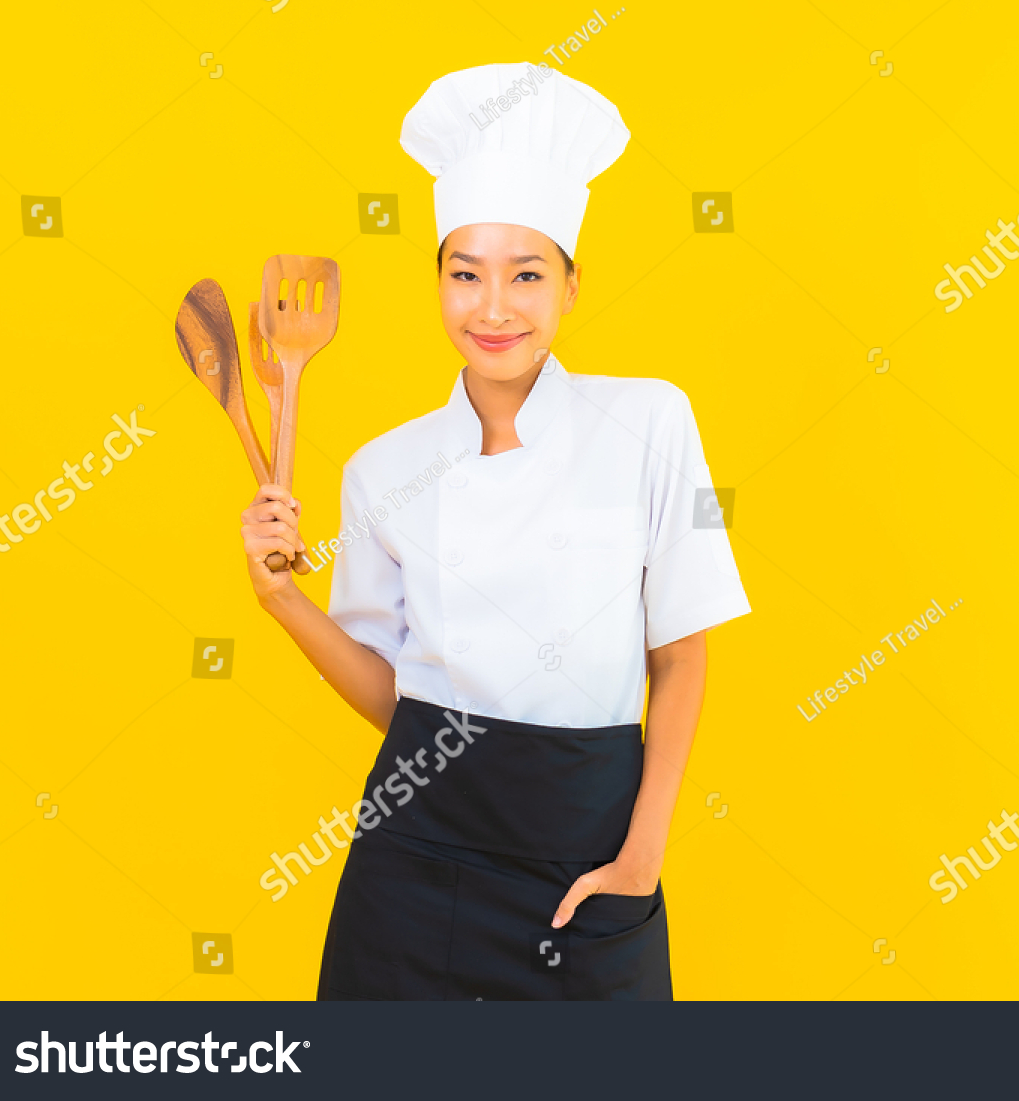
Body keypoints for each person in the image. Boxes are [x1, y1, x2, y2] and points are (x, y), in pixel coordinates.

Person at [238, 61, 750, 1000]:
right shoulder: (382, 469)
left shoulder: (654, 421)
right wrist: (281, 598)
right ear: (437, 280)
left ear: (570, 284)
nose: (495, 307)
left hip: (587, 849)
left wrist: (641, 858)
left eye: (526, 274)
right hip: (414, 854)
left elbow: (681, 654)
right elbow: (398, 696)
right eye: (466, 275)